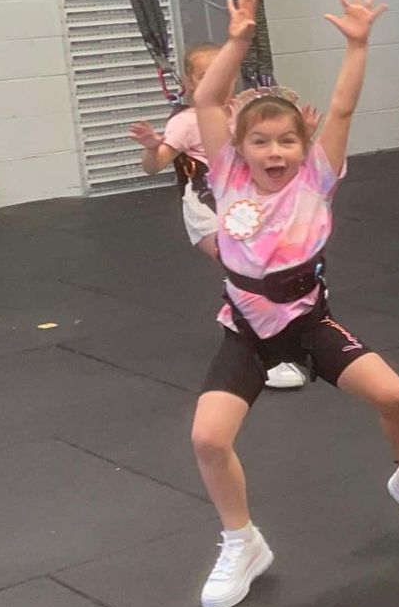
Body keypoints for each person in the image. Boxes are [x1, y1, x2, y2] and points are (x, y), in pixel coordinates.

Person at [189, 0, 399, 607]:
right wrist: (236, 41)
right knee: (208, 439)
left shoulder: (316, 177)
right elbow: (205, 97)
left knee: (393, 395)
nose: (274, 151)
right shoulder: (226, 175)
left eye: (286, 140)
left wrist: (358, 45)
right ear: (240, 148)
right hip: (248, 331)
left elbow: (340, 108)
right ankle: (242, 541)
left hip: (309, 320)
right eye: (260, 141)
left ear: (302, 146)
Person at [131, 44, 307, 391]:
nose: (217, 81)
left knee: (272, 265)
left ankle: (271, 333)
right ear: (189, 82)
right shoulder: (187, 121)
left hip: (246, 207)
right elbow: (155, 166)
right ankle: (263, 350)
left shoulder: (245, 112)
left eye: (223, 74)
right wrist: (153, 147)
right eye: (205, 76)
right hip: (208, 208)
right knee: (248, 268)